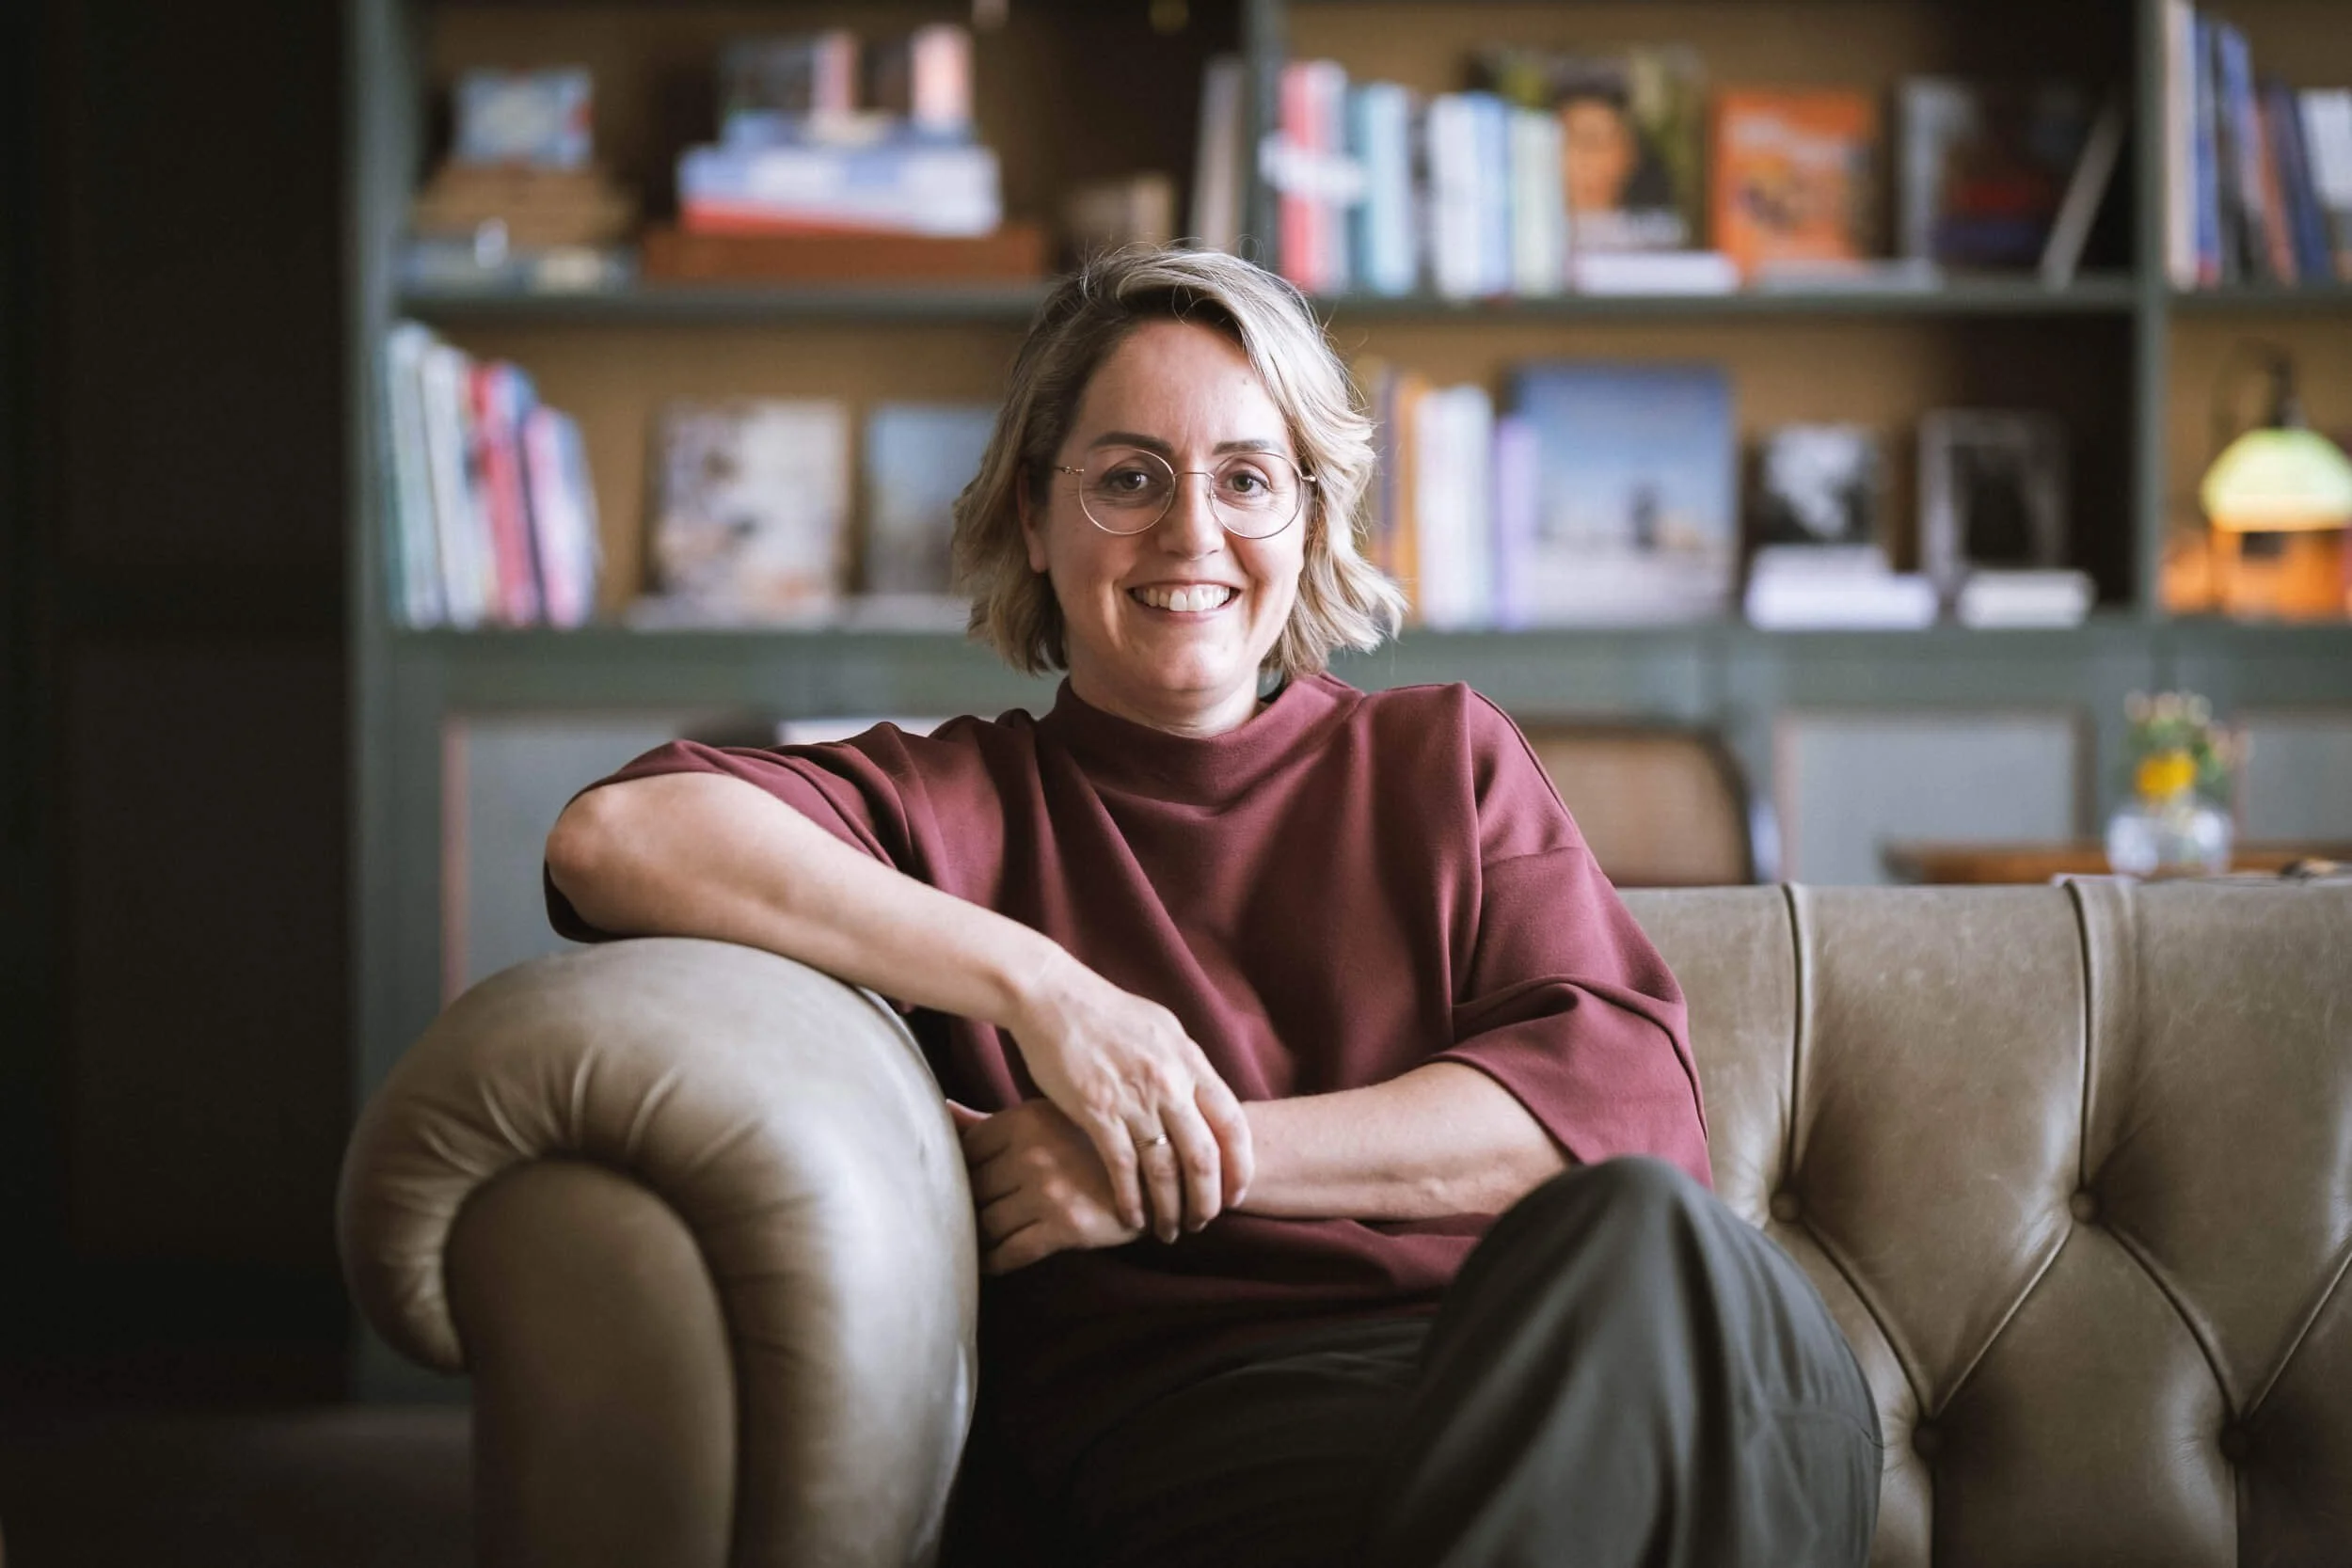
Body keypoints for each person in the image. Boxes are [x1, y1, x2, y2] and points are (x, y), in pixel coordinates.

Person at [542, 245, 1882, 1567]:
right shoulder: (954, 801)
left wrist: (1171, 1153)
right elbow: (620, 834)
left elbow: (1627, 1117)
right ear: (1032, 515)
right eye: (1129, 477)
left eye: (1248, 478)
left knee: (1668, 1255)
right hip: (1220, 1427)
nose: (1193, 531)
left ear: (1309, 516)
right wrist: (1051, 994)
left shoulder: (1444, 759)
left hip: (1560, 1362)